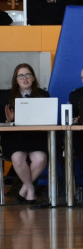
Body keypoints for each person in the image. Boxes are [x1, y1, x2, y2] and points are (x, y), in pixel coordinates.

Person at [2, 64, 49, 203]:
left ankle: (23, 189)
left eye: (28, 75)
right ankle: (30, 189)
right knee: (17, 158)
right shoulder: (5, 97)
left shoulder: (43, 95)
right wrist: (8, 120)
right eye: (21, 76)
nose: (25, 78)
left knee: (40, 158)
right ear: (16, 80)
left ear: (33, 78)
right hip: (15, 139)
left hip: (36, 139)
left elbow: (48, 118)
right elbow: (1, 121)